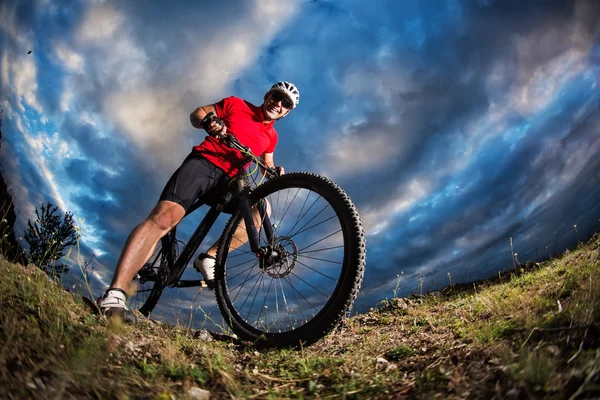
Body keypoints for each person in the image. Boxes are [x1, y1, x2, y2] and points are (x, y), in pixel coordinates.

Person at [98, 81, 300, 321]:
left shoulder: (271, 136)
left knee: (262, 208)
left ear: (287, 112)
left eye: (285, 104)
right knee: (164, 219)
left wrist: (274, 170)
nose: (278, 104)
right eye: (276, 97)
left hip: (232, 181)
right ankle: (115, 294)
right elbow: (199, 113)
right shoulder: (236, 104)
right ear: (267, 95)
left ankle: (210, 257)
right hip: (205, 164)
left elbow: (265, 165)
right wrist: (209, 122)